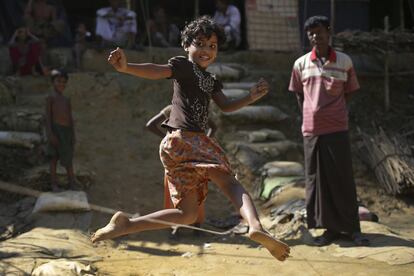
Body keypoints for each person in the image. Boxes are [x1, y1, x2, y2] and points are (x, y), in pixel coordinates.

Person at [91, 16, 290, 261]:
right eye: (201, 44)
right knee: (230, 183)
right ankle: (256, 226)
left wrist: (250, 97)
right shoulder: (184, 67)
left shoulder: (211, 80)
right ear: (187, 45)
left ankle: (126, 225)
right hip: (186, 139)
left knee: (187, 215)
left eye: (212, 46)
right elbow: (158, 71)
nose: (206, 50)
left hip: (174, 147)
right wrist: (127, 67)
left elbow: (226, 106)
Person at [288, 16, 369, 246]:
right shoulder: (300, 64)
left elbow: (350, 91)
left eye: (320, 31)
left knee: (342, 178)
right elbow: (298, 94)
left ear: (329, 32)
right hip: (312, 131)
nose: (316, 36)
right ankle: (330, 230)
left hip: (337, 128)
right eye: (311, 33)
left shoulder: (344, 61)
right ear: (308, 36)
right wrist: (312, 112)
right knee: (318, 180)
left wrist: (333, 110)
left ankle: (353, 229)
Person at [145, 104, 217, 238]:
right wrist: (203, 144)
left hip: (175, 156)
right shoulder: (198, 108)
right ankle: (196, 227)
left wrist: (168, 140)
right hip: (194, 155)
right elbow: (214, 127)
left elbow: (150, 125)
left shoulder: (172, 108)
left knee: (175, 191)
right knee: (197, 188)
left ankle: (177, 227)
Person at [45, 69, 79, 191]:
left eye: (64, 82)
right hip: (55, 130)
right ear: (53, 82)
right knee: (53, 158)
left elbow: (70, 117)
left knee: (68, 159)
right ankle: (54, 184)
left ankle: (72, 183)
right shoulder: (51, 98)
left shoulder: (66, 99)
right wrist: (50, 134)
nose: (61, 84)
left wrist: (73, 135)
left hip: (66, 132)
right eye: (58, 81)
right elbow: (48, 117)